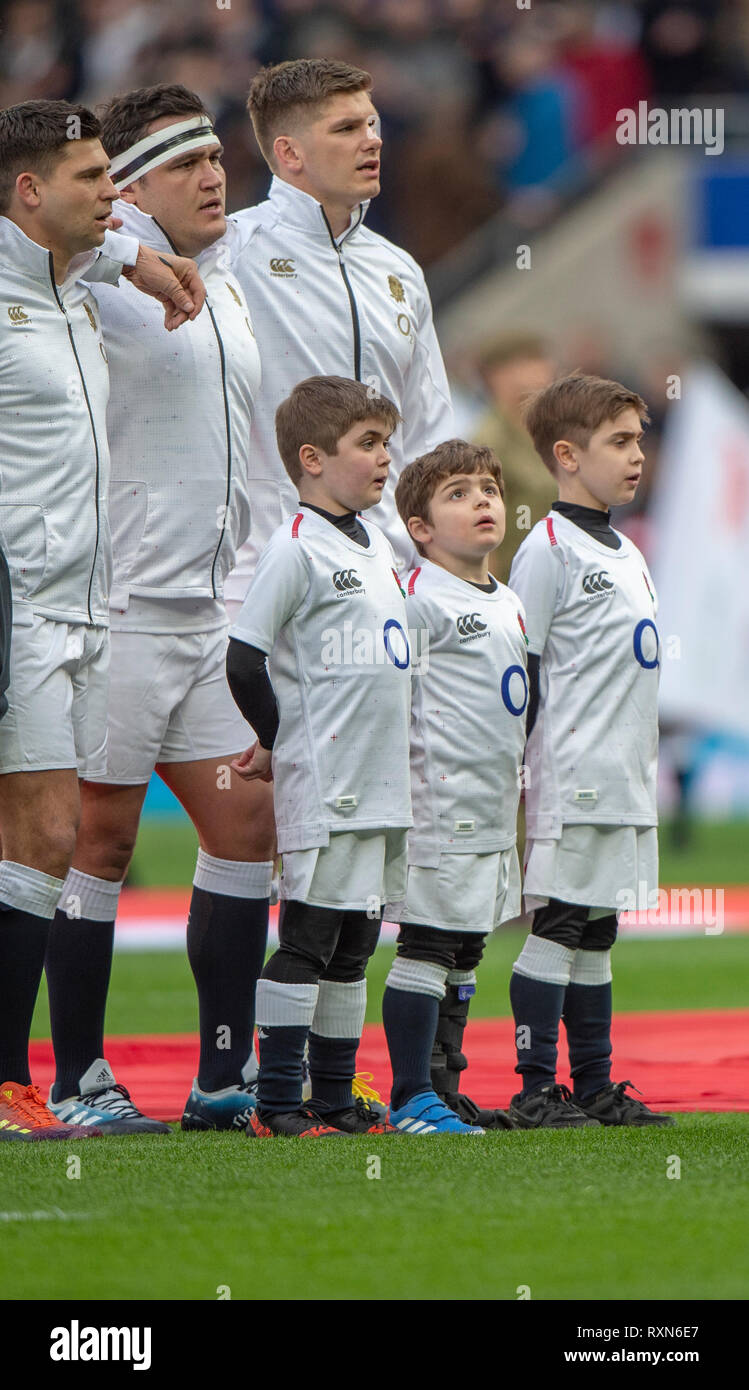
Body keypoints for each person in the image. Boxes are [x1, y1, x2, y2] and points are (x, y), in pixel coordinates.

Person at [43, 84, 273, 1136]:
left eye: (217, 156)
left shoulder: (222, 287)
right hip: (122, 603)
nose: (214, 174)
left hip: (210, 610)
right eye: (186, 162)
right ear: (124, 190)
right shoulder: (88, 271)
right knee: (100, 836)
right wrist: (122, 251)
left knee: (247, 823)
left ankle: (224, 1077)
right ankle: (76, 1079)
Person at [0, 98, 205, 1140]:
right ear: (29, 192)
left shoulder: (73, 278)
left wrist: (137, 261)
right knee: (40, 832)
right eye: (89, 176)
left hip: (82, 604)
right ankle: (8, 1082)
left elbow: (109, 244)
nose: (111, 193)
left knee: (45, 838)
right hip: (18, 601)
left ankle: (18, 1082)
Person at [227, 377, 411, 1137]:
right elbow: (244, 659)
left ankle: (333, 1099)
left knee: (353, 945)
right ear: (311, 459)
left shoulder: (378, 544)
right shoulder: (295, 547)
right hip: (328, 783)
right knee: (307, 938)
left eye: (385, 443)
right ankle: (276, 1104)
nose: (384, 459)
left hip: (382, 783)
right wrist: (279, 741)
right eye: (366, 444)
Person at [506, 372, 674, 1128]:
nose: (637, 454)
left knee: (598, 926)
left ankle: (596, 1085)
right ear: (567, 456)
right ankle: (535, 1088)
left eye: (638, 439)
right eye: (619, 442)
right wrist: (518, 764)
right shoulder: (547, 550)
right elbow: (521, 670)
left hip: (622, 773)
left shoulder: (624, 548)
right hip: (569, 773)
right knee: (560, 923)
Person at [224, 56, 455, 589]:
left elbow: (429, 431)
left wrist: (431, 566)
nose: (372, 140)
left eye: (372, 124)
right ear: (289, 153)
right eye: (347, 128)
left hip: (391, 577)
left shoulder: (399, 268)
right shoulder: (230, 252)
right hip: (267, 573)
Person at [382, 441, 527, 1134]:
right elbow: (380, 694)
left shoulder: (509, 600)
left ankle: (445, 1086)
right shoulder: (413, 599)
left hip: (491, 804)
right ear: (420, 528)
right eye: (459, 493)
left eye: (489, 490)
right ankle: (410, 1095)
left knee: (467, 945)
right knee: (429, 944)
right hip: (436, 805)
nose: (482, 502)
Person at [472, 331, 558, 585]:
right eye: (532, 362)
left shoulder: (553, 430)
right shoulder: (488, 442)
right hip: (517, 582)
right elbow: (480, 532)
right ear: (499, 375)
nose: (546, 370)